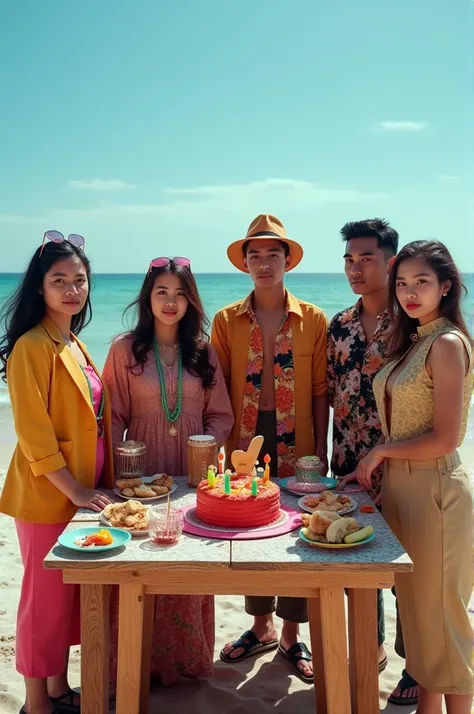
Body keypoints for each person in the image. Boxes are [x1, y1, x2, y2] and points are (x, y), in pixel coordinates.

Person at [103, 256, 233, 688]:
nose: (171, 301)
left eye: (180, 293)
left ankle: (185, 663)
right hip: (141, 474)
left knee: (188, 557)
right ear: (148, 297)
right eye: (162, 292)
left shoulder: (204, 351)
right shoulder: (124, 349)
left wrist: (206, 453)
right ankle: (135, 661)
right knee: (140, 560)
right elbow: (113, 418)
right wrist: (120, 476)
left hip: (192, 472)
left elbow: (221, 415)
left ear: (191, 299)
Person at [357, 240, 473, 714]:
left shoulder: (446, 343)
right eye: (402, 282)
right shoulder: (416, 340)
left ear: (445, 287)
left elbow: (447, 437)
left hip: (436, 489)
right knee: (419, 617)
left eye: (421, 282)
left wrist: (381, 450)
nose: (409, 292)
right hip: (404, 489)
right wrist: (370, 463)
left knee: (443, 621)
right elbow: (405, 422)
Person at [212, 214, 329, 684]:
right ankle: (259, 627)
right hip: (243, 443)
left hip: (298, 442)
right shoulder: (225, 320)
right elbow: (215, 389)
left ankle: (289, 634)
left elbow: (320, 390)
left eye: (272, 255)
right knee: (254, 531)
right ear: (244, 264)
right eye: (255, 255)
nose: (264, 263)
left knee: (298, 536)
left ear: (287, 262)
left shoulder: (313, 319)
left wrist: (318, 451)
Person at [0, 234, 114, 714]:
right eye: (59, 281)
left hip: (81, 493)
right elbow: (34, 434)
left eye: (79, 280)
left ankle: (58, 689)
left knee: (66, 603)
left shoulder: (73, 342)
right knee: (41, 602)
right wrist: (77, 490)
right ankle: (34, 704)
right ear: (40, 287)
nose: (72, 289)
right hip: (51, 494)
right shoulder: (31, 347)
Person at [328, 218, 419, 705]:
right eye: (349, 259)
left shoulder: (413, 328)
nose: (355, 269)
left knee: (407, 567)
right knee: (357, 559)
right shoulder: (338, 325)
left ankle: (415, 665)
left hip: (402, 464)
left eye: (366, 258)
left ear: (391, 262)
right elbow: (329, 395)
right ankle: (373, 646)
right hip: (346, 463)